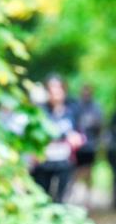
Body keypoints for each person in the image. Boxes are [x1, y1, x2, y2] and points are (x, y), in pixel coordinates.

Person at [32, 74, 83, 203]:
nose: (55, 93)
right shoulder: (40, 111)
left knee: (61, 199)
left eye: (58, 89)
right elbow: (34, 134)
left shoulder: (72, 110)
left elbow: (81, 132)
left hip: (65, 161)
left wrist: (77, 139)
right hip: (44, 161)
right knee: (42, 198)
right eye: (51, 89)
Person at [72, 84, 104, 207]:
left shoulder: (96, 108)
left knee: (89, 171)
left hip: (90, 146)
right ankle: (75, 198)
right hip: (77, 146)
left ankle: (88, 198)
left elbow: (100, 126)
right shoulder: (76, 107)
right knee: (75, 172)